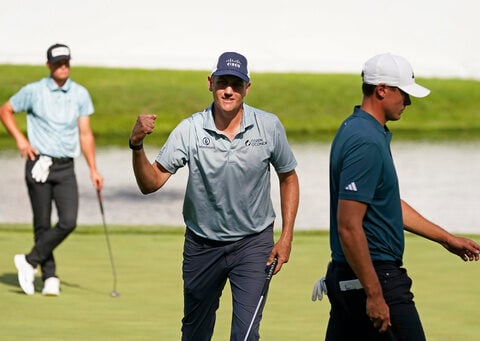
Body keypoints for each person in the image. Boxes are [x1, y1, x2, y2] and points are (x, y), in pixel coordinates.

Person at [129, 51, 299, 341]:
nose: (229, 90)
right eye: (223, 82)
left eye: (236, 83)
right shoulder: (190, 129)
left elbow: (288, 176)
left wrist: (286, 237)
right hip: (202, 245)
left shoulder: (268, 126)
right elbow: (151, 182)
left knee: (245, 335)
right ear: (210, 83)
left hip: (253, 243)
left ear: (247, 87)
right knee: (195, 333)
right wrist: (136, 144)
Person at [322, 53, 480, 340]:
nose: (407, 102)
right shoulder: (365, 141)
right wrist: (374, 294)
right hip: (374, 275)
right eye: (404, 93)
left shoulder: (363, 129)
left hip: (352, 275)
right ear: (382, 89)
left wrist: (447, 239)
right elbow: (348, 224)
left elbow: (387, 205)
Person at [0, 43, 103, 296]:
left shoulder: (80, 94)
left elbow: (85, 133)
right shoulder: (33, 91)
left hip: (66, 166)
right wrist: (20, 140)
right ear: (49, 65)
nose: (63, 66)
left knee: (69, 221)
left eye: (66, 62)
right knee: (42, 223)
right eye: (58, 63)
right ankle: (50, 277)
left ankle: (28, 260)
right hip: (39, 164)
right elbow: (6, 110)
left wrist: (93, 169)